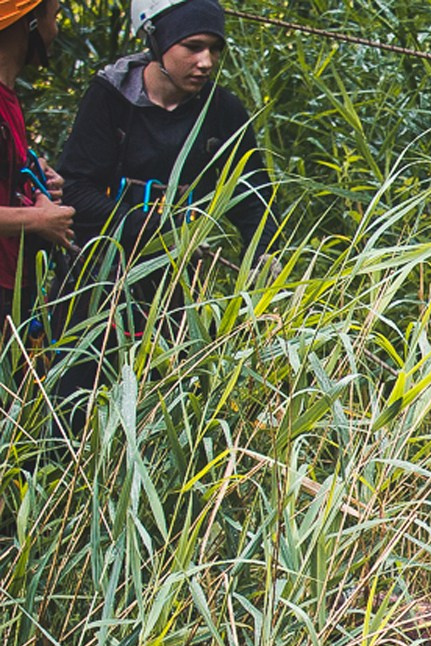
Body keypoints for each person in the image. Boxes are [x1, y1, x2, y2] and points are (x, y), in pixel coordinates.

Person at [48, 0, 271, 404]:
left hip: (178, 282)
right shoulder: (111, 98)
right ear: (157, 40)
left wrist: (262, 256)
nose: (206, 62)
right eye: (193, 46)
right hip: (97, 277)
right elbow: (76, 190)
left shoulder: (222, 110)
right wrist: (147, 225)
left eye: (215, 49)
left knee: (174, 398)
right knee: (76, 398)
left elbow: (252, 195)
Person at [0, 0, 71, 326]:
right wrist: (38, 219)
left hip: (13, 288)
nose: (54, 30)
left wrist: (29, 174)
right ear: (29, 21)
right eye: (54, 17)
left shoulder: (8, 97)